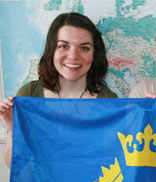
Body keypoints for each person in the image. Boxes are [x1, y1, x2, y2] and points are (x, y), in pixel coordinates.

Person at [0, 12, 117, 168]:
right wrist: (14, 129)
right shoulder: (29, 95)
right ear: (51, 50)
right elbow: (14, 166)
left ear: (94, 54)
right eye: (63, 46)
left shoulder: (108, 101)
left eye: (84, 48)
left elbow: (111, 163)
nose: (73, 56)